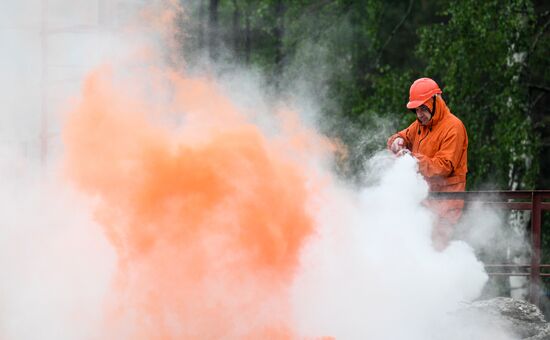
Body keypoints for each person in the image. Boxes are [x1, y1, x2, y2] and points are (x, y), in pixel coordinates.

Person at [387, 77, 468, 250]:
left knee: (437, 250)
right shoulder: (419, 125)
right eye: (416, 109)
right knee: (418, 249)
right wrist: (397, 141)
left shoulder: (454, 127)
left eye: (423, 108)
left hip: (446, 204)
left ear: (436, 101)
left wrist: (413, 160)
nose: (419, 114)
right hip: (424, 202)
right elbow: (402, 136)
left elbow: (444, 166)